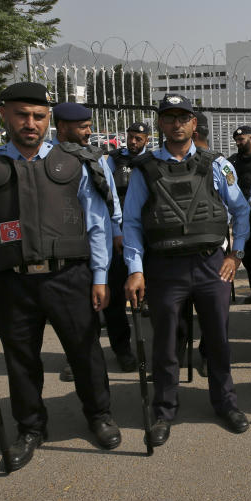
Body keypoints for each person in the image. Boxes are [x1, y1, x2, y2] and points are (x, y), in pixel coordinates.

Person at [0, 82, 120, 470]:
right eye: (22, 114)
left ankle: (99, 416)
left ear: (49, 120)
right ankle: (30, 428)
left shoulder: (75, 163)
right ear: (4, 115)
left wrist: (99, 277)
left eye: (38, 116)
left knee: (85, 351)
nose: (30, 123)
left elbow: (98, 225)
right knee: (21, 360)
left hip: (69, 277)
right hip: (13, 283)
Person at [123, 94, 251, 446]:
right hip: (165, 269)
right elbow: (132, 222)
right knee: (164, 345)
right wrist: (135, 270)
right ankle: (164, 410)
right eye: (169, 117)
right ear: (160, 124)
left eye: (183, 117)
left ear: (194, 123)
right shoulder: (145, 169)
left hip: (212, 265)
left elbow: (241, 210)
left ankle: (225, 403)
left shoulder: (217, 164)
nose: (177, 124)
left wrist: (235, 256)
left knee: (218, 342)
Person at [50, 103, 125, 381]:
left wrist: (117, 229)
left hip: (103, 239)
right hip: (70, 244)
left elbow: (111, 195)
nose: (89, 131)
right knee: (79, 311)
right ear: (63, 127)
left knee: (113, 299)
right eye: (82, 127)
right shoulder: (49, 158)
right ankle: (78, 358)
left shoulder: (95, 157)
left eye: (88, 125)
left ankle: (122, 348)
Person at [103, 122, 151, 375]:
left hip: (149, 234)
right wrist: (115, 232)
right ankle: (122, 350)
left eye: (138, 138)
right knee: (117, 294)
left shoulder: (154, 161)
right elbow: (107, 196)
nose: (133, 142)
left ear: (147, 139)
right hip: (121, 235)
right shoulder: (113, 161)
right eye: (130, 138)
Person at [228, 125, 251, 305]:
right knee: (248, 256)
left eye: (241, 139)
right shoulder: (234, 161)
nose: (238, 143)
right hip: (243, 217)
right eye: (236, 140)